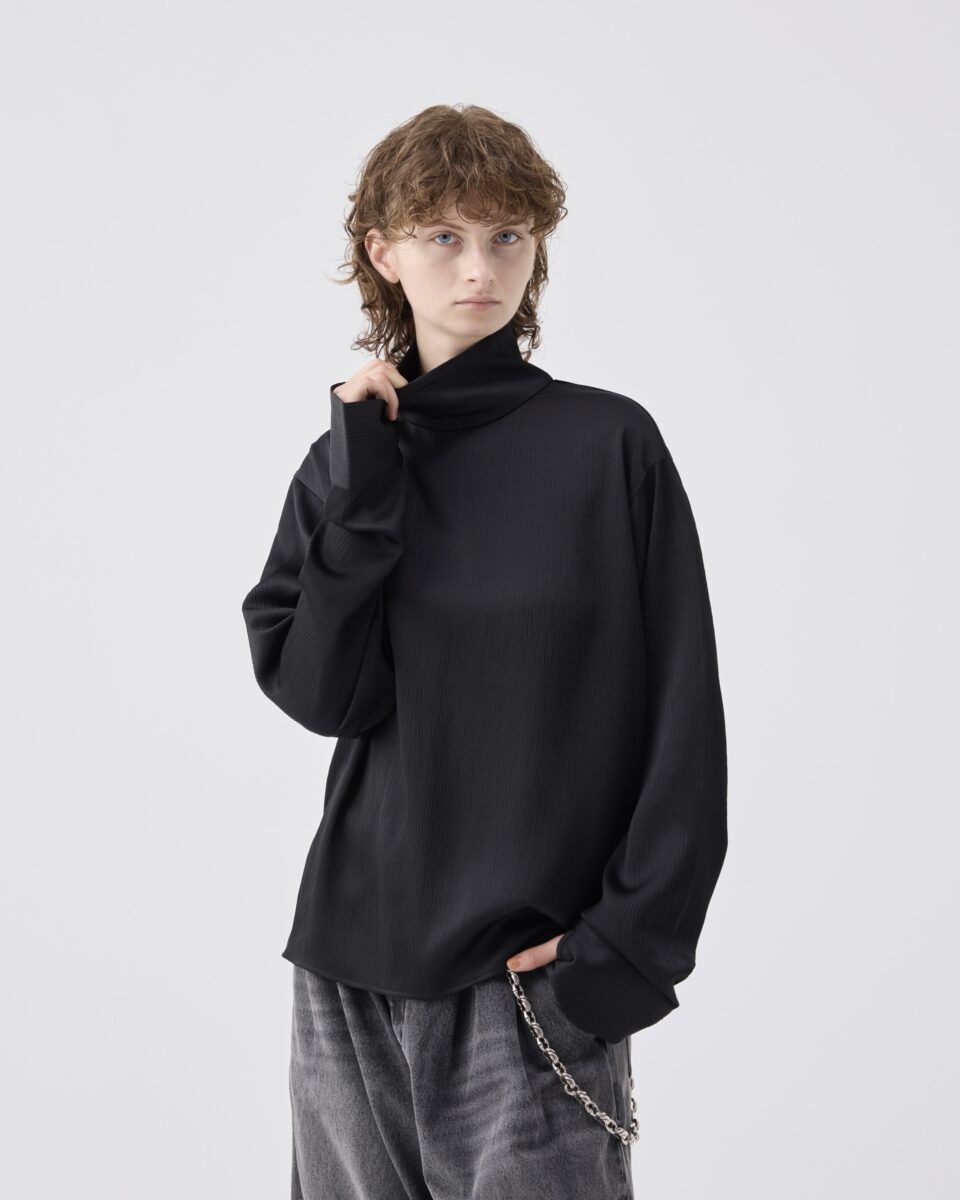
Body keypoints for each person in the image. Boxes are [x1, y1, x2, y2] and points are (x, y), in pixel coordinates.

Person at [241, 103, 728, 1200]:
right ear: (384, 252)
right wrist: (366, 481)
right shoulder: (345, 466)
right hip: (347, 978)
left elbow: (684, 720)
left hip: (529, 982)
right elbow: (323, 694)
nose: (480, 268)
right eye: (445, 236)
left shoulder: (609, 446)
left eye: (508, 235)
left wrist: (622, 952)